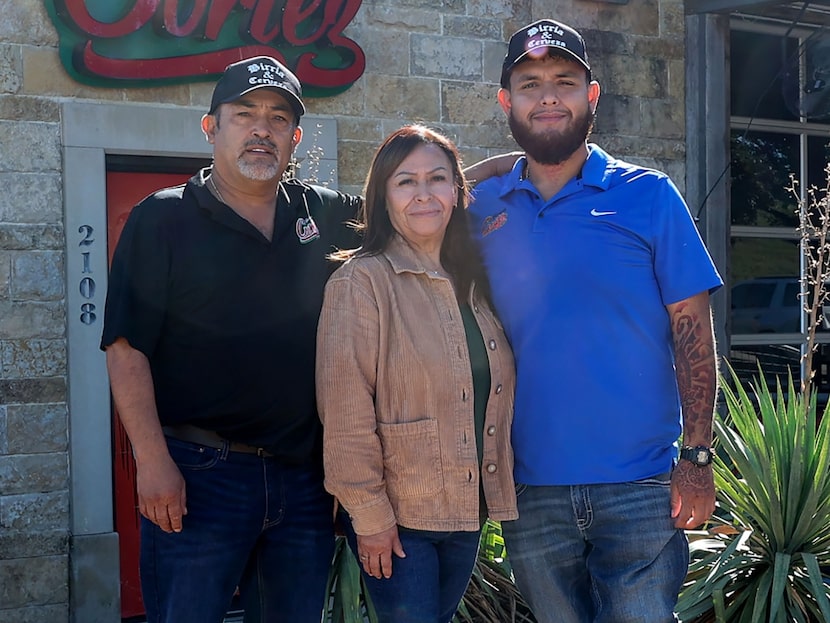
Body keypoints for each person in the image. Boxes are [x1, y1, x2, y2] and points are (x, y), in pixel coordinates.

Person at [467, 19, 723, 623]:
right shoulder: (481, 210)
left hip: (640, 487)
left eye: (565, 81)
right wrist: (486, 168)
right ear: (506, 101)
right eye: (529, 85)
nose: (548, 95)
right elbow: (413, 190)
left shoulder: (650, 196)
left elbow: (694, 338)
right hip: (530, 489)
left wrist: (698, 458)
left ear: (593, 96)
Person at [100, 56, 364, 623]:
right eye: (244, 114)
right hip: (198, 476)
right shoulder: (163, 219)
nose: (261, 129)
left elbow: (419, 202)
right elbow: (125, 349)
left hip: (303, 482)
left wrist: (497, 175)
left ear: (295, 137)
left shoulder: (322, 213)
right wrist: (152, 461)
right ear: (211, 127)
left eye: (276, 118)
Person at [316, 124, 518, 623]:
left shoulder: (473, 282)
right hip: (400, 521)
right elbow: (344, 414)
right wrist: (370, 518)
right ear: (382, 197)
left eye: (438, 179)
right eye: (405, 182)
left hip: (468, 510)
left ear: (457, 191)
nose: (423, 194)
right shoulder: (361, 282)